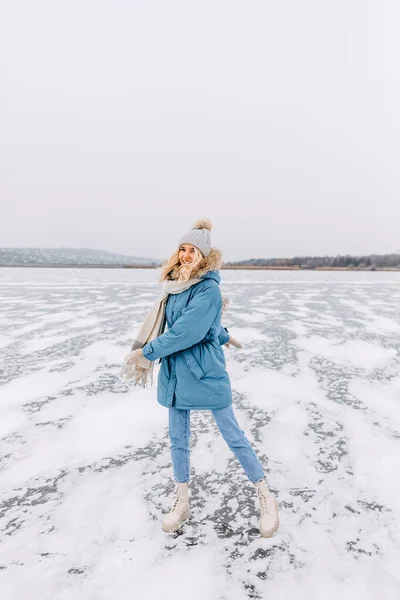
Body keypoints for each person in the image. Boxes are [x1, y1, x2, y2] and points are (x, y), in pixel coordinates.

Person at [122, 218, 279, 537]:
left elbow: (187, 331)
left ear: (204, 256)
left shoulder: (208, 287)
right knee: (178, 441)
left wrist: (147, 352)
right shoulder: (175, 286)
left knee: (233, 435)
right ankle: (182, 501)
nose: (185, 254)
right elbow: (202, 324)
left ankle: (265, 495)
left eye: (193, 250)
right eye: (182, 248)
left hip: (204, 372)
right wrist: (222, 333)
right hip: (175, 373)